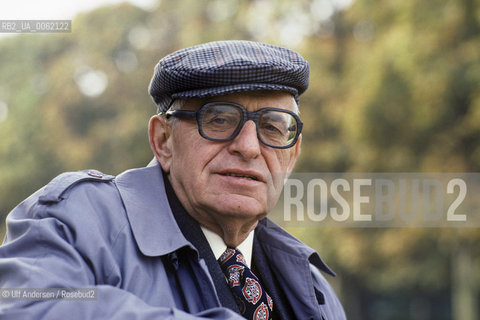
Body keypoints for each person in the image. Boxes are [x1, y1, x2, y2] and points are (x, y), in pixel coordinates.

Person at [0, 40, 346, 319]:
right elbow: (24, 307)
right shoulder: (79, 221)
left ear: (293, 153)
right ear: (163, 140)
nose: (249, 147)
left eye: (272, 127)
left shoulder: (314, 289)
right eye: (220, 120)